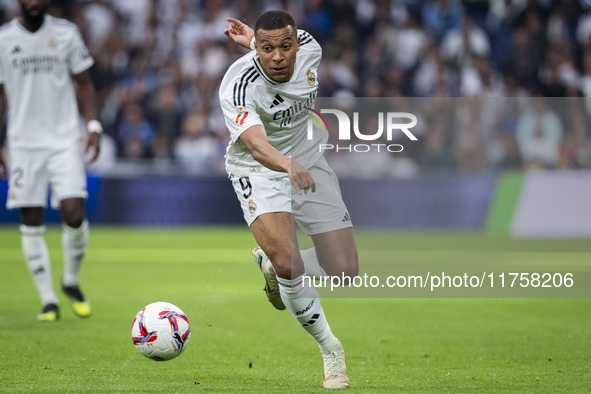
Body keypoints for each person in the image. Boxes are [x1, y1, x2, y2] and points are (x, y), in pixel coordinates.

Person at [220, 10, 358, 389]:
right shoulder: (238, 84)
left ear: (297, 43)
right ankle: (331, 350)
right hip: (259, 168)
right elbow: (256, 144)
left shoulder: (311, 48)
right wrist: (287, 165)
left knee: (345, 270)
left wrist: (257, 40)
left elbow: (279, 47)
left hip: (307, 157)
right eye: (267, 49)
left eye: (285, 46)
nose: (278, 57)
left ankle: (271, 263)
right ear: (256, 51)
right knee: (288, 262)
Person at [0, 0, 102, 321]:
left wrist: (93, 125)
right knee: (31, 218)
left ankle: (70, 279)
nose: (33, 2)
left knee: (74, 211)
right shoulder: (3, 39)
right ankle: (48, 300)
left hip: (63, 140)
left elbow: (84, 84)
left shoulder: (67, 33)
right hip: (22, 143)